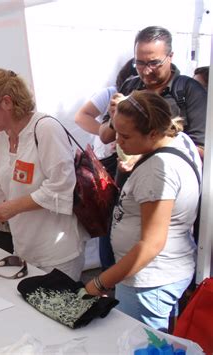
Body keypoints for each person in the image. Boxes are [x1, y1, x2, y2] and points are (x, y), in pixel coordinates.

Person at [0, 68, 88, 281]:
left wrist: (13, 207)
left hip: (56, 252)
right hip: (25, 247)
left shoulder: (45, 129)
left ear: (7, 102)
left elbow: (60, 186)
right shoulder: (2, 138)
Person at [85, 91, 202, 332]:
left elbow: (151, 244)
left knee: (140, 343)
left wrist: (99, 282)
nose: (118, 142)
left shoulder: (158, 171)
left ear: (154, 133)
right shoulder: (176, 140)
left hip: (150, 279)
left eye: (126, 136)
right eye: (116, 132)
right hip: (158, 274)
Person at [99, 26, 207, 160]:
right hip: (127, 178)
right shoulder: (130, 85)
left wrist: (146, 152)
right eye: (139, 63)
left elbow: (202, 151)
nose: (146, 71)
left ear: (170, 56)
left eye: (154, 63)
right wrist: (114, 117)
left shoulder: (190, 91)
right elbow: (104, 136)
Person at [74, 58, 137, 270]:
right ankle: (108, 272)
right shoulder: (112, 93)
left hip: (129, 166)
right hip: (107, 166)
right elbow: (81, 117)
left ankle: (110, 274)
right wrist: (110, 135)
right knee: (109, 219)